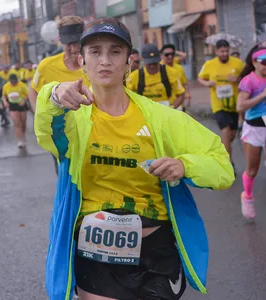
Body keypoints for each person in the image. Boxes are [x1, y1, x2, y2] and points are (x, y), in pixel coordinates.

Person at [34, 18, 234, 300]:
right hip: (97, 253)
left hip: (156, 252)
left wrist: (185, 165)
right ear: (82, 61)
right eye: (95, 52)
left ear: (129, 62)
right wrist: (53, 95)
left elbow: (222, 166)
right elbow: (47, 131)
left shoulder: (160, 118)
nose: (105, 60)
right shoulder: (72, 120)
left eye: (115, 52)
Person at [29, 15, 88, 174]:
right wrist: (40, 116)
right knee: (66, 177)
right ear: (60, 41)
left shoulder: (95, 64)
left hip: (93, 134)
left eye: (78, 42)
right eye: (69, 43)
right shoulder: (46, 66)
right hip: (61, 135)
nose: (75, 48)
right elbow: (34, 91)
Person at [198, 39, 244, 173]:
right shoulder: (209, 64)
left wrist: (237, 80)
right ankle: (228, 164)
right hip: (219, 105)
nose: (224, 53)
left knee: (232, 134)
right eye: (221, 51)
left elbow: (247, 77)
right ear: (216, 51)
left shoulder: (238, 63)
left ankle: (224, 151)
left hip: (234, 105)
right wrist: (208, 84)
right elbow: (201, 78)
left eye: (226, 51)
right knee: (226, 130)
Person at [237, 45, 266, 220]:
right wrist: (262, 96)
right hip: (254, 128)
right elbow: (240, 106)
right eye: (263, 62)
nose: (265, 66)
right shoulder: (248, 81)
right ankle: (247, 195)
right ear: (255, 62)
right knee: (252, 170)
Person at [127, 43, 185, 110]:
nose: (152, 66)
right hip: (146, 112)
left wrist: (171, 109)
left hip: (167, 110)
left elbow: (180, 95)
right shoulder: (135, 76)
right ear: (143, 60)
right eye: (149, 63)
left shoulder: (170, 72)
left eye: (155, 63)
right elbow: (126, 96)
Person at [2, 74, 29, 148]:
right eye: (12, 82)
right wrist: (5, 102)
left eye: (15, 82)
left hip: (22, 105)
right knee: (17, 123)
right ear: (10, 81)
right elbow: (4, 95)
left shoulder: (22, 85)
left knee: (23, 122)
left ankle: (23, 134)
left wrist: (24, 100)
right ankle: (20, 141)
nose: (14, 83)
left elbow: (28, 93)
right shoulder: (6, 86)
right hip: (12, 105)